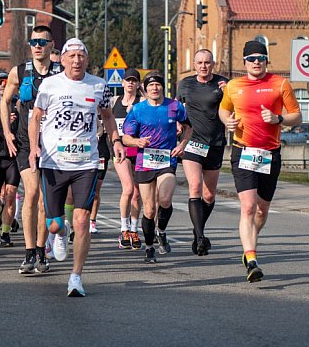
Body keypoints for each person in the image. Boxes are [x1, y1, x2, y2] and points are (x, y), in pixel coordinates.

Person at [28, 38, 124, 297]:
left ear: (87, 60)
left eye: (81, 56)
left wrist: (115, 141)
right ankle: (59, 233)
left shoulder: (99, 85)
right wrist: (35, 147)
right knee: (55, 225)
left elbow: (107, 116)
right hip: (54, 162)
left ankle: (76, 277)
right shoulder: (50, 85)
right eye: (71, 56)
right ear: (62, 60)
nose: (76, 60)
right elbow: (36, 117)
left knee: (82, 221)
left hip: (86, 162)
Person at [218, 41, 301, 282]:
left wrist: (278, 118)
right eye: (252, 58)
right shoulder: (234, 86)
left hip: (270, 153)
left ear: (267, 61)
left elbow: (296, 116)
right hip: (243, 151)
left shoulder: (281, 83)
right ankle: (251, 258)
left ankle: (249, 243)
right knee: (248, 207)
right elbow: (224, 110)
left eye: (261, 58)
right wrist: (227, 121)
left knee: (262, 211)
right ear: (244, 62)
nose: (257, 62)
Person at [0, 25, 63, 274]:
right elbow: (5, 101)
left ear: (51, 45)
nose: (37, 45)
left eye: (42, 41)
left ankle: (41, 251)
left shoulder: (61, 72)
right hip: (26, 143)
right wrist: (7, 133)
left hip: (54, 144)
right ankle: (28, 253)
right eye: (33, 41)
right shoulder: (20, 72)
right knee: (32, 192)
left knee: (45, 200)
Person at [122, 73, 191, 265]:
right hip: (145, 163)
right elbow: (125, 137)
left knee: (165, 199)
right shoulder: (137, 110)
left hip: (166, 161)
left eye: (158, 85)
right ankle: (149, 247)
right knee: (150, 209)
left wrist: (182, 145)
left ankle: (161, 230)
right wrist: (137, 141)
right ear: (145, 89)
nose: (155, 88)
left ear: (163, 87)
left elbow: (188, 127)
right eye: (151, 85)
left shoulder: (174, 106)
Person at [176, 49, 229, 256]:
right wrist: (178, 124)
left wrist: (228, 94)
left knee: (209, 194)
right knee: (195, 187)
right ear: (195, 64)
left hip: (215, 143)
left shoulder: (223, 83)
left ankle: (198, 228)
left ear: (213, 64)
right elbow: (177, 108)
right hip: (192, 142)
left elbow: (234, 108)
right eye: (199, 63)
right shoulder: (185, 84)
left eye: (207, 62)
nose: (203, 66)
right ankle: (199, 238)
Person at [111, 68, 142, 250]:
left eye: (134, 81)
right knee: (128, 189)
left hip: (138, 151)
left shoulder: (142, 102)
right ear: (122, 83)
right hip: (121, 151)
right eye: (128, 80)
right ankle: (123, 229)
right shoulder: (114, 102)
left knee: (137, 194)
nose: (130, 83)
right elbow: (108, 124)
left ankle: (134, 229)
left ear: (138, 84)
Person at [0, 72, 20, 247]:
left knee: (10, 195)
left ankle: (5, 233)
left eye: (6, 81)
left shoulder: (17, 104)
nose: (2, 84)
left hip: (13, 157)